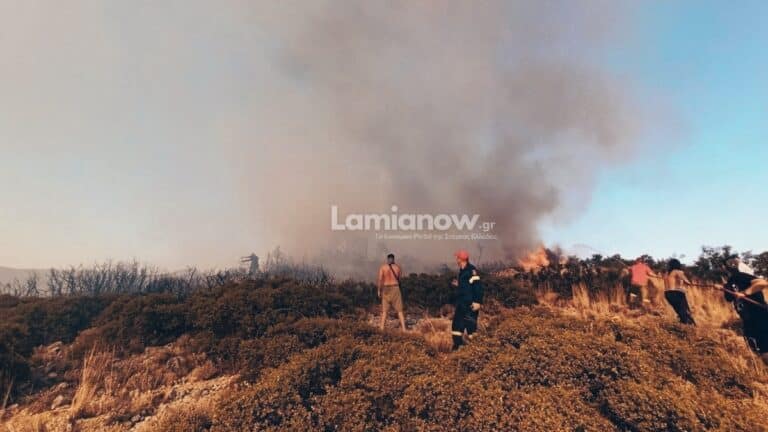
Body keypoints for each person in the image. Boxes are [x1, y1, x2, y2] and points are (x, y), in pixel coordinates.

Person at [724, 258, 768, 365]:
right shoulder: (729, 282)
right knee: (754, 347)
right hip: (748, 319)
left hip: (760, 315)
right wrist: (723, 288)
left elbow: (763, 283)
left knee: (763, 348)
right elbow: (729, 298)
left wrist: (744, 293)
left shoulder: (740, 276)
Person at [450, 250, 484, 350]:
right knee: (456, 326)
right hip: (461, 304)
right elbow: (467, 286)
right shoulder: (462, 271)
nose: (456, 260)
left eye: (457, 258)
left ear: (460, 259)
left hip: (470, 305)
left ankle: (476, 350)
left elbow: (478, 287)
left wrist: (478, 302)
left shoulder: (471, 270)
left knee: (471, 328)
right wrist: (458, 285)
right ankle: (457, 347)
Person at [377, 253, 406, 331]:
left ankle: (381, 329)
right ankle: (404, 329)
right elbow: (400, 279)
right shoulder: (398, 268)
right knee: (400, 310)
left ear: (387, 259)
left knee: (384, 311)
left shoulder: (383, 267)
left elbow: (380, 280)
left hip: (386, 288)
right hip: (395, 288)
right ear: (393, 259)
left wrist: (379, 290)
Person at [663, 259, 695, 325]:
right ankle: (690, 326)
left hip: (667, 294)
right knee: (686, 312)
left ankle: (682, 325)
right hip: (676, 293)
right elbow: (687, 282)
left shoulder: (666, 273)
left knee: (680, 312)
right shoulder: (678, 271)